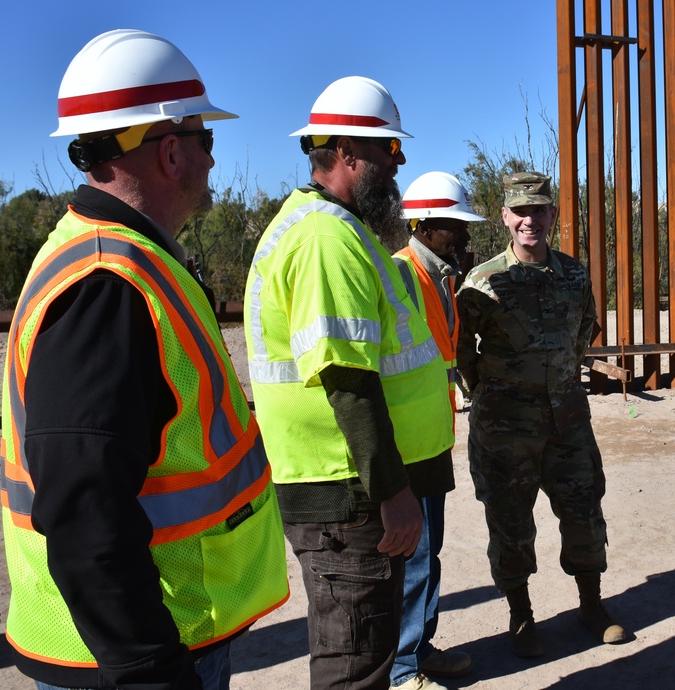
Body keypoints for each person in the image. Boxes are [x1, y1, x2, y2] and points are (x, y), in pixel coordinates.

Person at [0, 29, 289, 690]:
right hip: (129, 658)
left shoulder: (121, 258)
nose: (214, 160)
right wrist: (150, 674)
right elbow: (82, 506)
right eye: (205, 140)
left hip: (143, 642)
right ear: (170, 154)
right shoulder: (108, 284)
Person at [242, 76, 455, 690]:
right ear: (350, 154)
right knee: (353, 665)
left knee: (368, 653)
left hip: (350, 490)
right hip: (348, 496)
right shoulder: (324, 238)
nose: (399, 167)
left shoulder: (338, 229)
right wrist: (392, 492)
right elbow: (347, 378)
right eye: (390, 154)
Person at [456, 171, 625, 659]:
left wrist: (560, 382)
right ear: (506, 217)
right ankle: (521, 615)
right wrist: (489, 392)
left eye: (539, 210)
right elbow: (462, 349)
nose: (530, 220)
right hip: (506, 429)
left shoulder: (573, 274)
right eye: (520, 211)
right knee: (510, 523)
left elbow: (583, 331)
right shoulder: (483, 281)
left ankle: (592, 606)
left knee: (584, 514)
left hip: (568, 423)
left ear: (552, 215)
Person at [387, 171, 483, 690]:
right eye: (454, 226)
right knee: (414, 557)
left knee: (430, 553)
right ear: (423, 226)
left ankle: (419, 648)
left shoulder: (441, 279)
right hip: (406, 445)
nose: (464, 237)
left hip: (432, 439)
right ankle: (402, 669)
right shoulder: (401, 275)